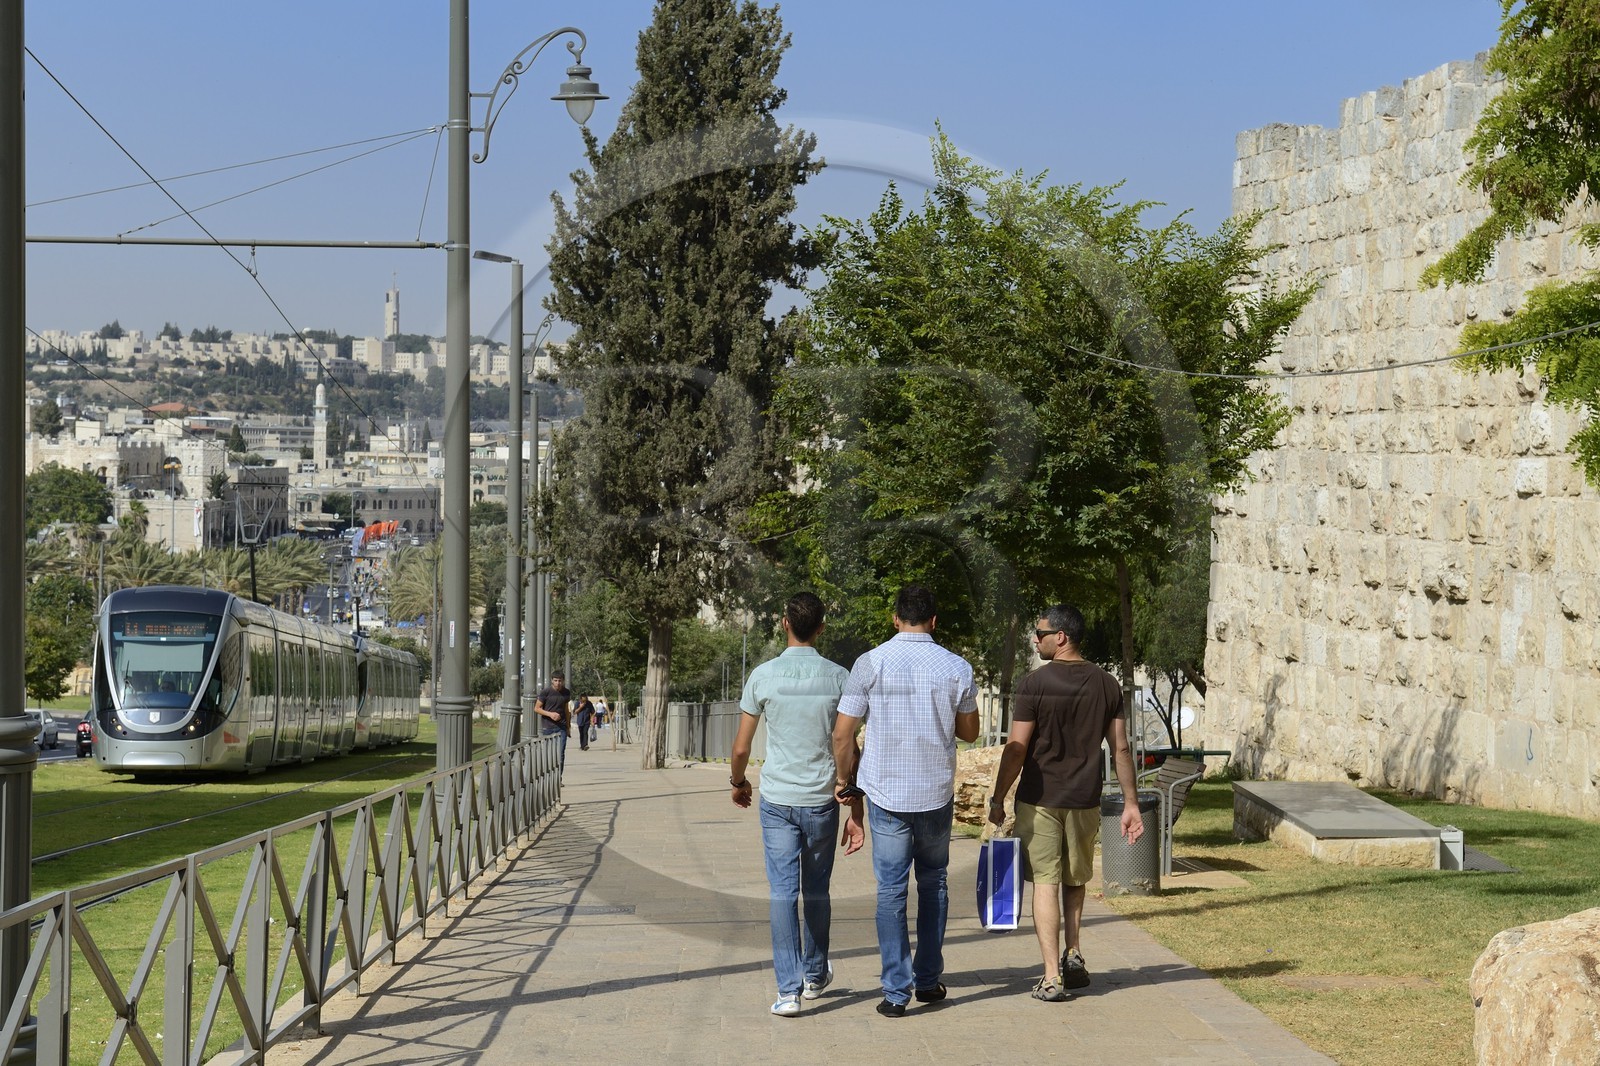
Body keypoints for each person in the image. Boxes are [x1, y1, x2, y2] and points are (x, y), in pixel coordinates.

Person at [832, 584, 979, 1017]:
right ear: (934, 621)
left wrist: (846, 781)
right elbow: (969, 733)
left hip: (887, 795)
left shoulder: (870, 662)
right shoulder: (957, 667)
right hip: (934, 794)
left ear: (895, 619)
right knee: (934, 884)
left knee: (892, 891)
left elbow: (843, 733)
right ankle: (929, 979)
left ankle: (897, 992)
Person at [987, 604, 1145, 1003]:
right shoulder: (1107, 684)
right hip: (1084, 799)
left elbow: (1017, 748)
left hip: (1040, 799)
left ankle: (1052, 976)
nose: (1034, 639)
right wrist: (1131, 803)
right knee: (1076, 880)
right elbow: (1121, 748)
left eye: (1039, 633)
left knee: (1046, 881)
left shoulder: (1034, 684)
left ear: (1061, 637)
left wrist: (998, 797)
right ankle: (1073, 952)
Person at [730, 592, 862, 1017]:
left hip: (777, 800)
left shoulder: (763, 676)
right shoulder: (840, 677)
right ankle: (815, 973)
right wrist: (848, 789)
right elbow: (848, 744)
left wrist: (738, 782)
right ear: (822, 627)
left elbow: (740, 747)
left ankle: (788, 991)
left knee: (782, 893)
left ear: (783, 623)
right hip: (822, 800)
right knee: (817, 891)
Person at [533, 672, 572, 771]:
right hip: (548, 728)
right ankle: (549, 777)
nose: (558, 683)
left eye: (560, 681)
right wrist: (550, 714)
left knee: (560, 753)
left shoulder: (566, 692)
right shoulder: (545, 692)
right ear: (552, 680)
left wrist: (568, 727)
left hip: (561, 727)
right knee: (548, 754)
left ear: (563, 681)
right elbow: (537, 708)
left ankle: (559, 778)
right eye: (555, 680)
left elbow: (567, 710)